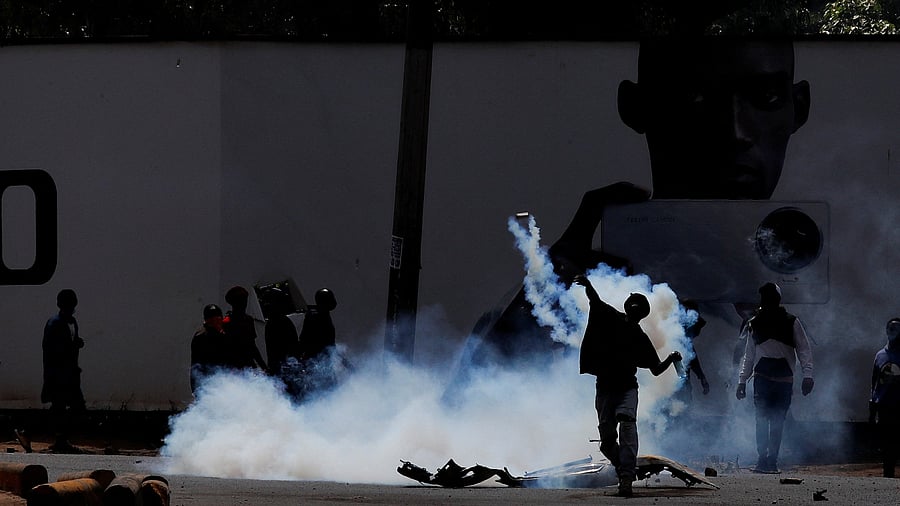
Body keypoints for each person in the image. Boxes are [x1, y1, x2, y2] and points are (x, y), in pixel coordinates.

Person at [472, 38, 811, 371]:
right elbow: (463, 415)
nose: (736, 131)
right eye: (694, 98)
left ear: (799, 106)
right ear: (636, 107)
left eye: (766, 97)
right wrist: (545, 304)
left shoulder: (814, 315)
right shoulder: (570, 301)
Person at [574, 274, 682, 497]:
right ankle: (625, 467)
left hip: (626, 389)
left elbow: (655, 368)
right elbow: (595, 301)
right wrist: (589, 285)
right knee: (606, 441)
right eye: (633, 304)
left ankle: (626, 476)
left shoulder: (640, 337)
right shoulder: (612, 318)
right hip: (604, 387)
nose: (634, 307)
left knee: (627, 422)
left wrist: (671, 359)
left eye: (638, 305)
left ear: (641, 312)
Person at [736, 282, 814, 474]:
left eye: (769, 298)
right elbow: (749, 354)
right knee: (764, 420)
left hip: (781, 380)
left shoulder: (791, 321)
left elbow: (804, 349)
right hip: (764, 379)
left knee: (774, 421)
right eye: (764, 298)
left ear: (777, 300)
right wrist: (742, 380)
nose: (766, 301)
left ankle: (770, 460)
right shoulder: (755, 323)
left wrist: (808, 375)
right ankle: (765, 460)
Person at [41, 288, 86, 453]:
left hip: (70, 373)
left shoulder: (72, 322)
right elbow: (52, 350)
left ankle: (62, 439)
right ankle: (60, 440)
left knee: (74, 407)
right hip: (58, 374)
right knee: (61, 407)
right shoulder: (55, 323)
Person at [870, 317, 900, 478]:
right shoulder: (881, 355)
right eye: (893, 329)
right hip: (885, 406)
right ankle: (888, 478)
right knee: (887, 446)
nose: (896, 333)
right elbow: (874, 383)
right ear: (887, 332)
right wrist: (872, 407)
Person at [672, 300, 710, 411]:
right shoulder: (676, 334)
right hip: (672, 386)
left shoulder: (684, 336)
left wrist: (701, 377)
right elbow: (678, 361)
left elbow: (691, 357)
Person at [223, 286, 268, 372]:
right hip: (233, 367)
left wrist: (263, 366)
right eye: (241, 302)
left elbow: (252, 346)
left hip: (248, 365)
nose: (244, 304)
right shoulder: (226, 322)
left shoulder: (248, 320)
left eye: (245, 301)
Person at [190, 303, 229, 393]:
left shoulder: (223, 335)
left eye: (219, 318)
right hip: (207, 379)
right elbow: (196, 364)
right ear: (208, 321)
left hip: (222, 378)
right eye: (214, 319)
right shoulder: (201, 336)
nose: (218, 321)